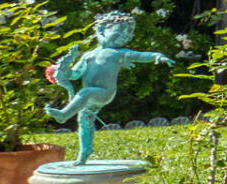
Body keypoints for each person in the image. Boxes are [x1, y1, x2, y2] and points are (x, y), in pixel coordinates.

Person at [46, 10, 173, 163]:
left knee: (85, 93)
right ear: (101, 30)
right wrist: (64, 68)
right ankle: (85, 152)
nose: (125, 37)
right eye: (119, 32)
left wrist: (157, 56)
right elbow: (74, 74)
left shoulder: (118, 53)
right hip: (92, 95)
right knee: (85, 121)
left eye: (128, 34)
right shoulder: (87, 55)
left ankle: (63, 115)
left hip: (105, 92)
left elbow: (141, 55)